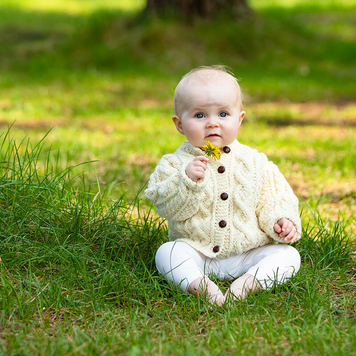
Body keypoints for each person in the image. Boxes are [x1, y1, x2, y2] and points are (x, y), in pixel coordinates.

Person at [145, 66, 301, 306]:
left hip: (248, 252)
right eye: (199, 115)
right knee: (167, 253)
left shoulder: (255, 162)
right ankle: (201, 286)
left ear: (239, 119)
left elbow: (275, 198)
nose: (212, 124)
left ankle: (248, 284)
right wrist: (185, 181)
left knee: (289, 256)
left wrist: (281, 220)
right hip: (197, 251)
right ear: (179, 124)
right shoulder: (174, 164)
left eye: (223, 114)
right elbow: (166, 206)